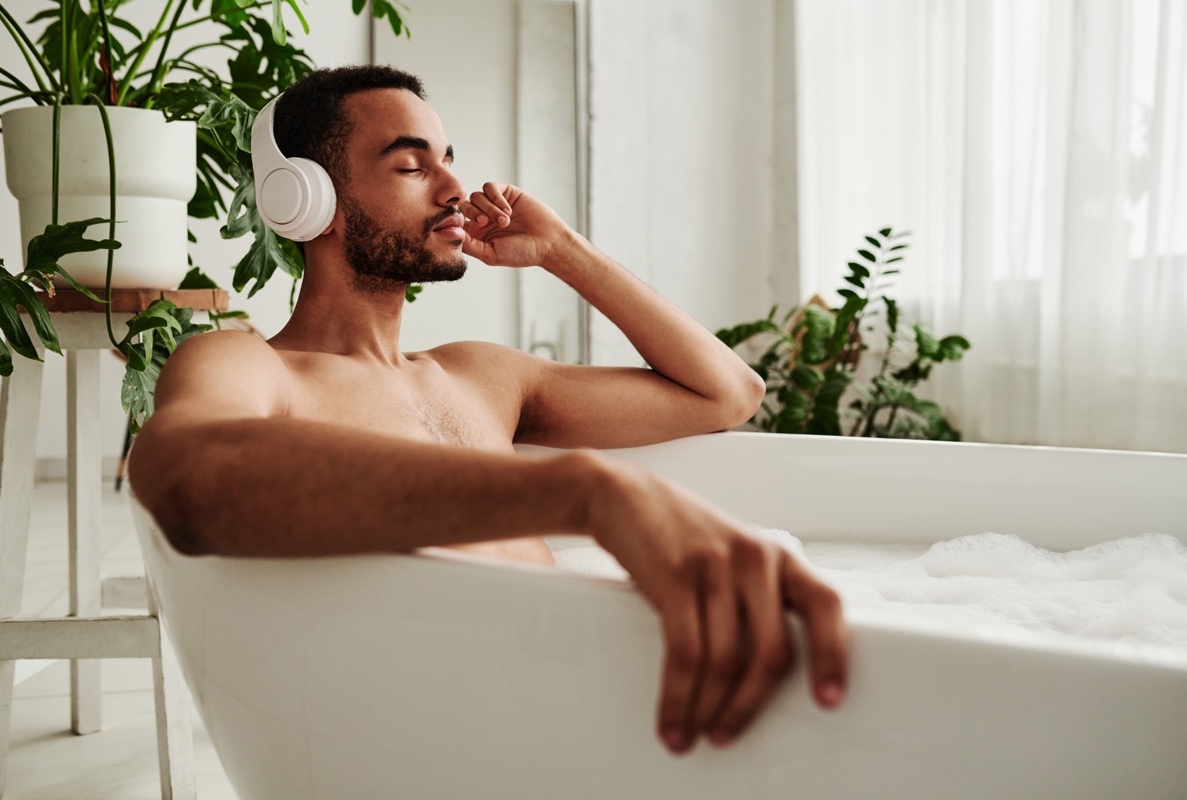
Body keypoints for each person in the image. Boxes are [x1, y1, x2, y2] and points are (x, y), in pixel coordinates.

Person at [128, 65, 848, 757]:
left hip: (573, 708)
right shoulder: (249, 365)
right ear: (307, 201)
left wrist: (562, 249)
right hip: (443, 737)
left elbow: (728, 394)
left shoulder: (482, 375)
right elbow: (187, 476)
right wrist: (589, 495)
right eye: (413, 167)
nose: (453, 189)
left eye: (449, 160)